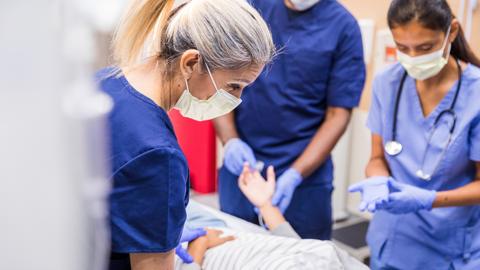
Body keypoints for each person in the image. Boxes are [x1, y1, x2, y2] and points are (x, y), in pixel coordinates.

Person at [96, 0, 275, 269]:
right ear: (191, 62)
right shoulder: (157, 154)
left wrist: (158, 235)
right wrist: (198, 251)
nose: (237, 99)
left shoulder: (107, 80)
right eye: (234, 86)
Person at [214, 0, 366, 240]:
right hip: (243, 170)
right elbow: (220, 83)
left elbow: (338, 114)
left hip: (303, 177)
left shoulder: (343, 27)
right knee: (238, 251)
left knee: (304, 256)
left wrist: (296, 174)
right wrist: (230, 141)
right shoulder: (252, 8)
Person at [348, 0, 480, 269]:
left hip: (449, 246)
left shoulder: (476, 94)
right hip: (392, 239)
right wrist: (377, 182)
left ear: (451, 32)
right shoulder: (387, 83)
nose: (414, 58)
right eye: (402, 48)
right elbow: (377, 158)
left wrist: (428, 199)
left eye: (425, 48)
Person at [174, 164, 368, 270]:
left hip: (191, 252)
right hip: (221, 232)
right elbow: (299, 247)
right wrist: (266, 205)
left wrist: (200, 242)